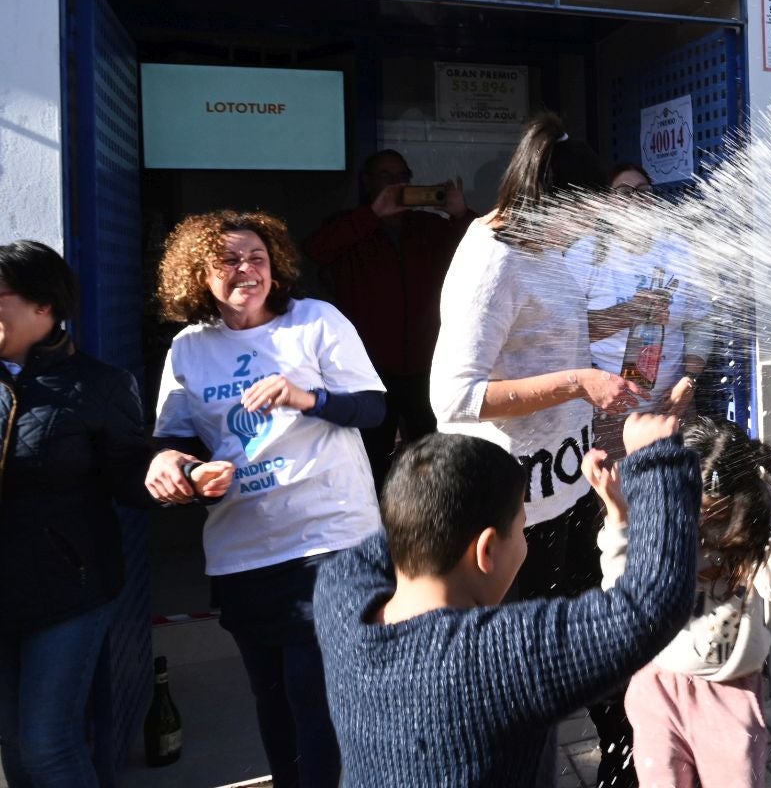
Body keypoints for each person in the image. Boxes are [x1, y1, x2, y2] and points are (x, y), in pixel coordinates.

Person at [430, 113, 646, 786]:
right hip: (512, 509)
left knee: (600, 645)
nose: (589, 233)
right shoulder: (492, 259)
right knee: (520, 681)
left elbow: (558, 330)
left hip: (571, 489)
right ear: (551, 201)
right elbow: (455, 396)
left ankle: (626, 766)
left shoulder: (556, 247)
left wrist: (623, 322)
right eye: (583, 216)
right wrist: (580, 381)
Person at [314, 414, 700, 787]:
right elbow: (651, 604)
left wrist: (433, 502)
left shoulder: (339, 601)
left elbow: (375, 547)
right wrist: (657, 462)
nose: (526, 541)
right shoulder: (497, 661)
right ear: (486, 552)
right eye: (521, 528)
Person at [147, 210, 387, 788]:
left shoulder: (315, 322)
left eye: (257, 257)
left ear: (275, 266)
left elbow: (374, 409)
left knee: (314, 694)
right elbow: (175, 435)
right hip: (242, 546)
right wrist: (177, 467)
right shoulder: (189, 348)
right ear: (197, 274)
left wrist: (310, 398)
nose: (246, 269)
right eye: (227, 259)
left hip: (330, 537)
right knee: (271, 695)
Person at [0, 241, 224, 787]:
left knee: (48, 746)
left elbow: (129, 472)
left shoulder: (97, 386)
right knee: (13, 749)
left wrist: (178, 475)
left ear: (43, 307)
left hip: (67, 589)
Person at [598, 418, 771, 788]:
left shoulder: (748, 529)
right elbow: (621, 595)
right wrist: (619, 518)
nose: (700, 518)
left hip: (730, 693)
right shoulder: (660, 516)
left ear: (739, 501)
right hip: (659, 687)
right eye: (691, 502)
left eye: (714, 509)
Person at [303, 149, 474, 484]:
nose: (396, 184)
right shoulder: (350, 226)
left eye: (402, 177)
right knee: (371, 455)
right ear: (367, 182)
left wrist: (459, 213)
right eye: (386, 176)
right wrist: (373, 214)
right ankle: (377, 525)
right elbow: (315, 250)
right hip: (369, 366)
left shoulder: (427, 226)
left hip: (428, 362)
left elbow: (482, 248)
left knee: (434, 454)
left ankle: (429, 523)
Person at [568, 163, 714, 458]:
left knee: (676, 494)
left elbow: (701, 321)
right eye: (624, 192)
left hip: (672, 406)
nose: (636, 198)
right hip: (607, 411)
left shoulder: (678, 250)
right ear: (607, 203)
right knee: (617, 497)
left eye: (644, 191)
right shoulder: (586, 254)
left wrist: (690, 379)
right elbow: (567, 331)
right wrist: (628, 312)